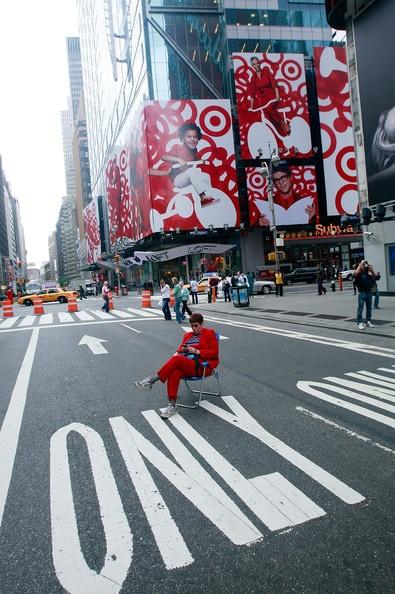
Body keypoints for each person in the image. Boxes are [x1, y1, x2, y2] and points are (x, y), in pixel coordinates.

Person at [134, 313, 219, 419]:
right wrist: (181, 351)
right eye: (192, 326)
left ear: (202, 324)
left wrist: (195, 351)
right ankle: (172, 405)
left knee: (176, 360)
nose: (193, 328)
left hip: (202, 366)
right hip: (186, 364)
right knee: (174, 371)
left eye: (196, 325)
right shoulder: (187, 336)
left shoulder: (210, 333)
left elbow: (214, 353)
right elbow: (179, 350)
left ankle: (151, 380)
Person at [160, 122, 218, 208]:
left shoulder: (194, 151)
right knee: (192, 171)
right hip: (177, 179)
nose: (192, 139)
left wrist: (201, 161)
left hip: (188, 177)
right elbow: (163, 157)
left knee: (205, 176)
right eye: (189, 137)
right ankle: (203, 198)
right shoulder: (178, 148)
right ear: (183, 139)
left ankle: (210, 195)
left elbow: (195, 160)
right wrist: (178, 159)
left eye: (195, 137)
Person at [248, 56, 291, 136]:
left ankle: (283, 123)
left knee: (269, 108)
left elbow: (274, 84)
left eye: (257, 63)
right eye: (254, 64)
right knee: (266, 114)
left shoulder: (266, 71)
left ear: (259, 63)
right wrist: (251, 106)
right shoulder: (253, 78)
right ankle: (279, 132)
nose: (256, 66)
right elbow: (252, 93)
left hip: (272, 96)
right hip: (264, 99)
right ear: (252, 66)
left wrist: (277, 97)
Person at [354, 260, 376, 330]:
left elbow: (374, 275)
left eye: (364, 265)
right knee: (360, 308)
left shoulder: (367, 272)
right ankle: (359, 322)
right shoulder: (358, 274)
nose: (364, 266)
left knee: (369, 308)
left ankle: (368, 321)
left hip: (369, 292)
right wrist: (361, 263)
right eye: (362, 265)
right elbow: (356, 272)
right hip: (362, 292)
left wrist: (369, 267)